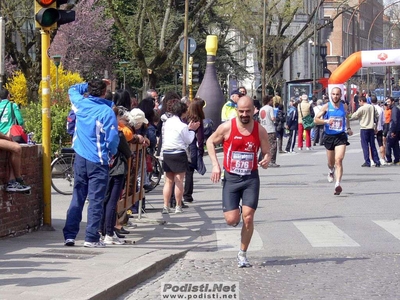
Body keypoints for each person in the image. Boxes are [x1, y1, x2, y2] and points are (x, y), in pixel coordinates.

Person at [206, 95, 271, 268]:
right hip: (231, 179)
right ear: (236, 111)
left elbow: (267, 151)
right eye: (241, 111)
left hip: (250, 178)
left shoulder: (259, 130)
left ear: (253, 111)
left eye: (247, 111)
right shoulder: (227, 127)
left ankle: (242, 253)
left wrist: (266, 159)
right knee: (231, 220)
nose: (244, 114)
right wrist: (215, 165)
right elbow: (210, 141)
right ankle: (237, 211)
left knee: (248, 218)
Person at [63, 79, 119, 248]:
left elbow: (72, 88)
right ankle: (91, 237)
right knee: (95, 199)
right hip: (98, 159)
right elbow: (113, 139)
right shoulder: (106, 111)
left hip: (80, 156)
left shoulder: (80, 104)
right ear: (104, 93)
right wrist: (112, 153)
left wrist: (88, 83)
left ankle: (70, 236)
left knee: (78, 196)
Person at [161, 101, 200, 214]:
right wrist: (192, 130)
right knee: (179, 181)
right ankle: (178, 206)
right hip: (178, 152)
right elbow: (188, 140)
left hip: (167, 152)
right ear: (183, 112)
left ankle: (165, 206)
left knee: (168, 181)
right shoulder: (182, 126)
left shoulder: (167, 122)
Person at [314, 87, 352, 195]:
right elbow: (316, 119)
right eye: (333, 94)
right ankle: (331, 171)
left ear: (340, 95)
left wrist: (348, 128)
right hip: (329, 136)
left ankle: (338, 184)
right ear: (331, 95)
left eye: (337, 94)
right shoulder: (326, 106)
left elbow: (347, 117)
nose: (335, 96)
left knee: (338, 160)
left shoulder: (344, 106)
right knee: (331, 163)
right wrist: (326, 121)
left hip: (341, 136)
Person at [184, 97, 205, 203]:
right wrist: (201, 150)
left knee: (181, 173)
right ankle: (187, 195)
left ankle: (175, 197)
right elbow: (200, 137)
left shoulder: (185, 117)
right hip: (192, 146)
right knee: (189, 172)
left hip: (183, 145)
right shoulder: (198, 119)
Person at [349, 95, 380, 167]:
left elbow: (354, 116)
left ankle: (367, 161)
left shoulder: (361, 108)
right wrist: (376, 127)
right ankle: (377, 161)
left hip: (364, 128)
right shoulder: (372, 107)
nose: (358, 103)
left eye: (359, 102)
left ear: (361, 101)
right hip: (371, 128)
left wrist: (350, 116)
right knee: (373, 145)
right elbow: (377, 116)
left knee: (365, 146)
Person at [259, 95, 279, 167]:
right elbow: (273, 118)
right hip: (270, 129)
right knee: (273, 145)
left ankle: (262, 160)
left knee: (264, 146)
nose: (272, 102)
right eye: (271, 100)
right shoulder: (270, 108)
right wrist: (276, 119)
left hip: (263, 129)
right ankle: (272, 161)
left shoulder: (261, 109)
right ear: (269, 101)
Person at [371, 95, 387, 166]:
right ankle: (382, 159)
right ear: (377, 101)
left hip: (371, 128)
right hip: (379, 128)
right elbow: (383, 120)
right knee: (380, 144)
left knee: (371, 145)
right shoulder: (381, 109)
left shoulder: (370, 108)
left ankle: (372, 160)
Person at [385, 97, 400, 165]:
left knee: (388, 144)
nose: (387, 104)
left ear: (392, 102)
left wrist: (393, 131)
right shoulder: (395, 109)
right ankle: (397, 159)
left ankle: (389, 159)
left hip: (394, 130)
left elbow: (394, 121)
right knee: (395, 144)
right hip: (396, 130)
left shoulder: (394, 110)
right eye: (387, 102)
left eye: (389, 102)